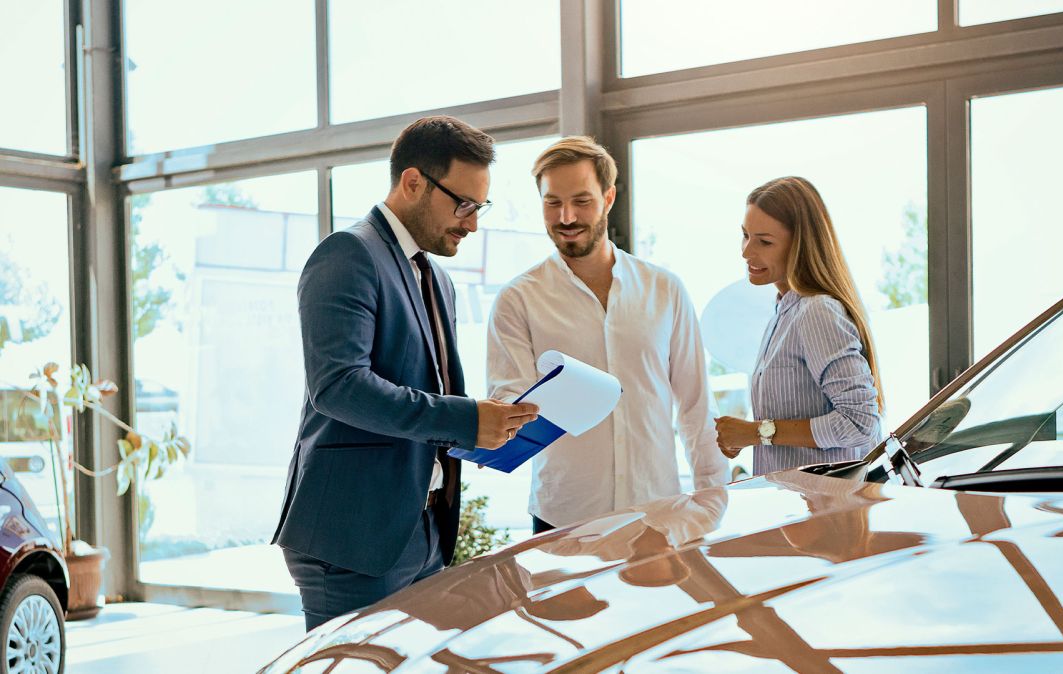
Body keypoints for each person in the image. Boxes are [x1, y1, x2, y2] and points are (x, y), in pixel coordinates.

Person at [272, 116, 539, 630]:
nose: (472, 224)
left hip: (424, 528)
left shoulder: (436, 277)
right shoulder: (348, 254)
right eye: (463, 205)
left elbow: (425, 394)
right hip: (354, 536)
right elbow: (339, 386)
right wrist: (465, 420)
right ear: (413, 182)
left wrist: (486, 432)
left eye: (479, 208)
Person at [486, 136, 728, 534]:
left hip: (658, 513)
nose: (566, 217)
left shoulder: (664, 290)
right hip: (563, 518)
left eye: (581, 201)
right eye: (552, 202)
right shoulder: (517, 299)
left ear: (609, 197)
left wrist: (711, 503)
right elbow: (508, 402)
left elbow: (696, 407)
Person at [715, 176, 884, 474]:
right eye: (745, 235)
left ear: (800, 246)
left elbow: (860, 422)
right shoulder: (783, 313)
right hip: (795, 498)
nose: (746, 252)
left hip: (824, 501)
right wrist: (749, 435)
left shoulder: (817, 312)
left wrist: (757, 433)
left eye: (764, 242)